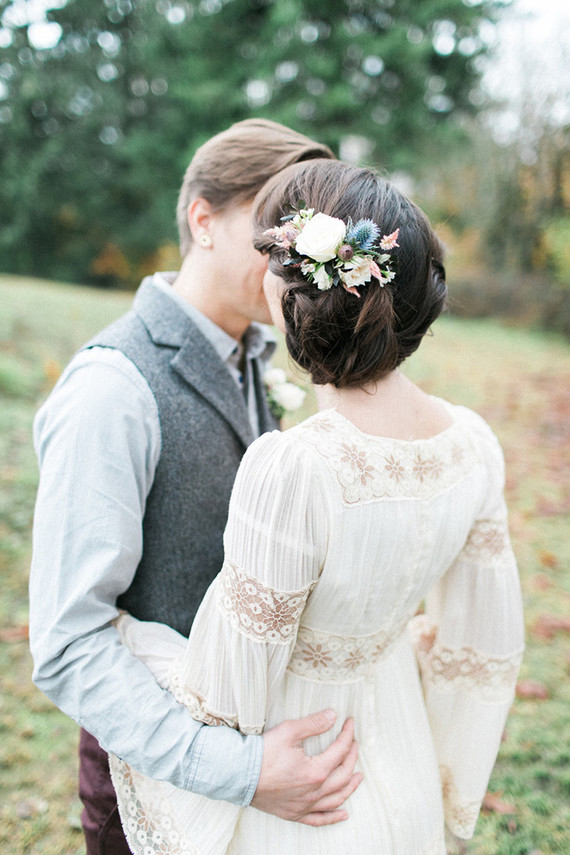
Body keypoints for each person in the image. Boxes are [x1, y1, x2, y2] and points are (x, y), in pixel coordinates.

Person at [107, 158, 525, 855]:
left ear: (291, 288)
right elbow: (481, 649)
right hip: (405, 762)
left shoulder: (296, 466)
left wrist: (134, 642)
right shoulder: (473, 447)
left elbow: (227, 697)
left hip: (301, 795)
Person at [29, 122, 364, 855]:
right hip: (153, 786)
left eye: (305, 235)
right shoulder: (110, 389)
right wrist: (240, 770)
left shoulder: (259, 356)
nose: (294, 258)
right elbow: (67, 642)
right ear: (203, 220)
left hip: (264, 769)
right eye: (275, 227)